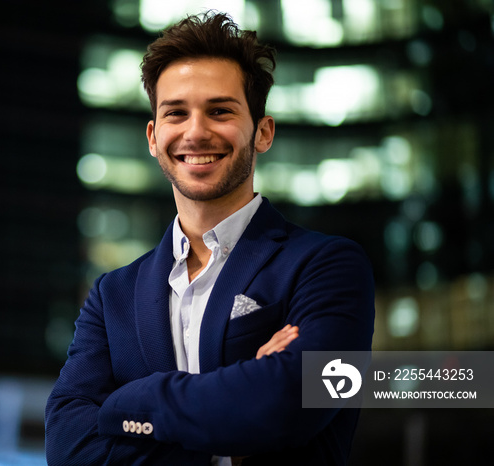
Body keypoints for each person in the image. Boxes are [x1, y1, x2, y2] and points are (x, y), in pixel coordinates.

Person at [45, 11, 374, 465]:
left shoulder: (327, 266)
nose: (196, 132)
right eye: (176, 113)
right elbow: (67, 446)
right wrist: (237, 409)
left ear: (262, 132)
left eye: (219, 111)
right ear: (154, 137)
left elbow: (289, 404)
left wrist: (125, 405)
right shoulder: (111, 295)